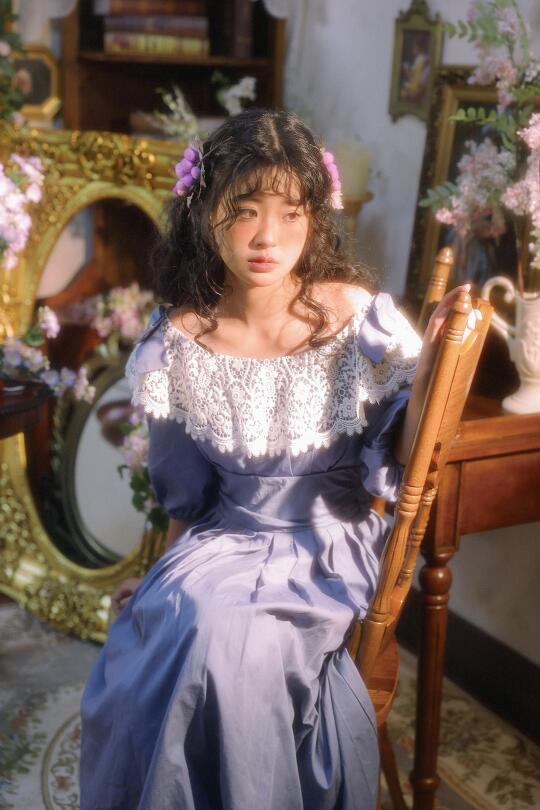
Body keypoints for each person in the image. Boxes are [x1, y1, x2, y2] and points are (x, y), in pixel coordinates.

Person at [79, 108, 468, 810]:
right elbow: (185, 495)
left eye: (291, 213)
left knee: (222, 640)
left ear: (315, 218)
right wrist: (157, 572)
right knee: (167, 630)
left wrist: (434, 366)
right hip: (222, 539)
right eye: (245, 211)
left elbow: (406, 460)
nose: (268, 237)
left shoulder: (355, 316)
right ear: (206, 214)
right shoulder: (179, 342)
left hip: (327, 542)